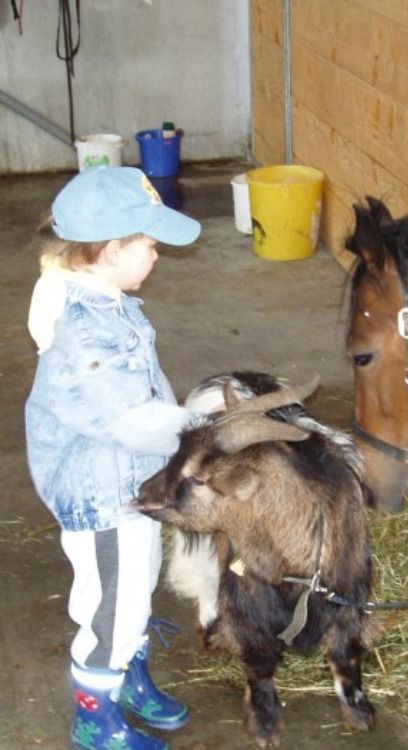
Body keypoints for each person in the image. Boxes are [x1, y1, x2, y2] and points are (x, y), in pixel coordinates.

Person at [25, 166, 201, 750]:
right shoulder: (86, 332)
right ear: (109, 250)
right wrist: (201, 429)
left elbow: (142, 393)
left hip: (131, 482)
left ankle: (128, 674)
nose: (155, 255)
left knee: (136, 587)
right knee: (111, 607)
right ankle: (94, 714)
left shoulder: (107, 298)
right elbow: (129, 421)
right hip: (102, 492)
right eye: (148, 245)